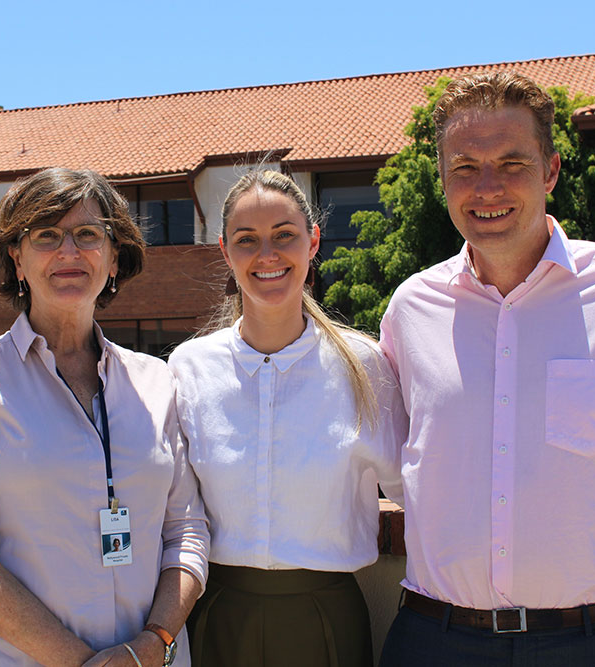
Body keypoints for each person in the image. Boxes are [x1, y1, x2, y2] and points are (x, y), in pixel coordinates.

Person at [377, 71, 595, 666]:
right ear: (443, 179)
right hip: (435, 641)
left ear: (551, 170)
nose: (488, 187)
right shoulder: (410, 310)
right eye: (465, 167)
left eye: (512, 163)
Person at [0, 168, 209, 666]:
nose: (69, 253)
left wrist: (151, 644)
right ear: (17, 257)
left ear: (115, 257)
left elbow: (185, 531)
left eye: (88, 235)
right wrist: (81, 663)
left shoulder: (155, 380)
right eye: (46, 236)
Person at [168, 170, 406, 667]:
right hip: (216, 615)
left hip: (327, 619)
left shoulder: (364, 366)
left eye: (284, 236)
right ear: (224, 250)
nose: (267, 255)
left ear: (313, 240)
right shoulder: (188, 368)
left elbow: (411, 488)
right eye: (247, 240)